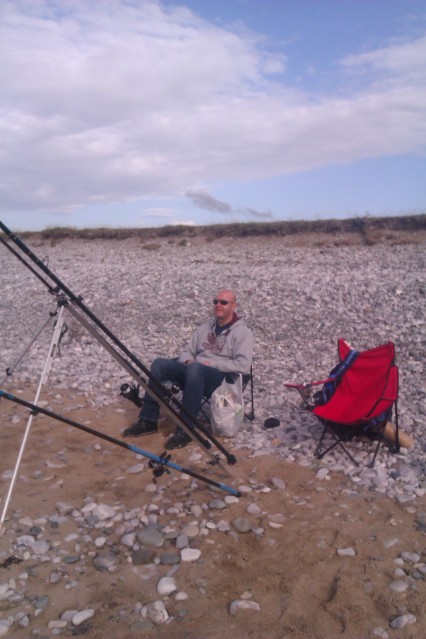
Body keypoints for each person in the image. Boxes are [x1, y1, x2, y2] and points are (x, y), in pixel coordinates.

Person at [122, 289, 254, 450]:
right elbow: (186, 351)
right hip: (195, 372)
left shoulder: (243, 333)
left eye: (224, 302)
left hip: (222, 381)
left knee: (196, 369)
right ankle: (148, 420)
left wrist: (207, 364)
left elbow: (243, 365)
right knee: (159, 364)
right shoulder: (205, 328)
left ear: (234, 306)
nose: (218, 305)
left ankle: (185, 430)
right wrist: (188, 360)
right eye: (216, 301)